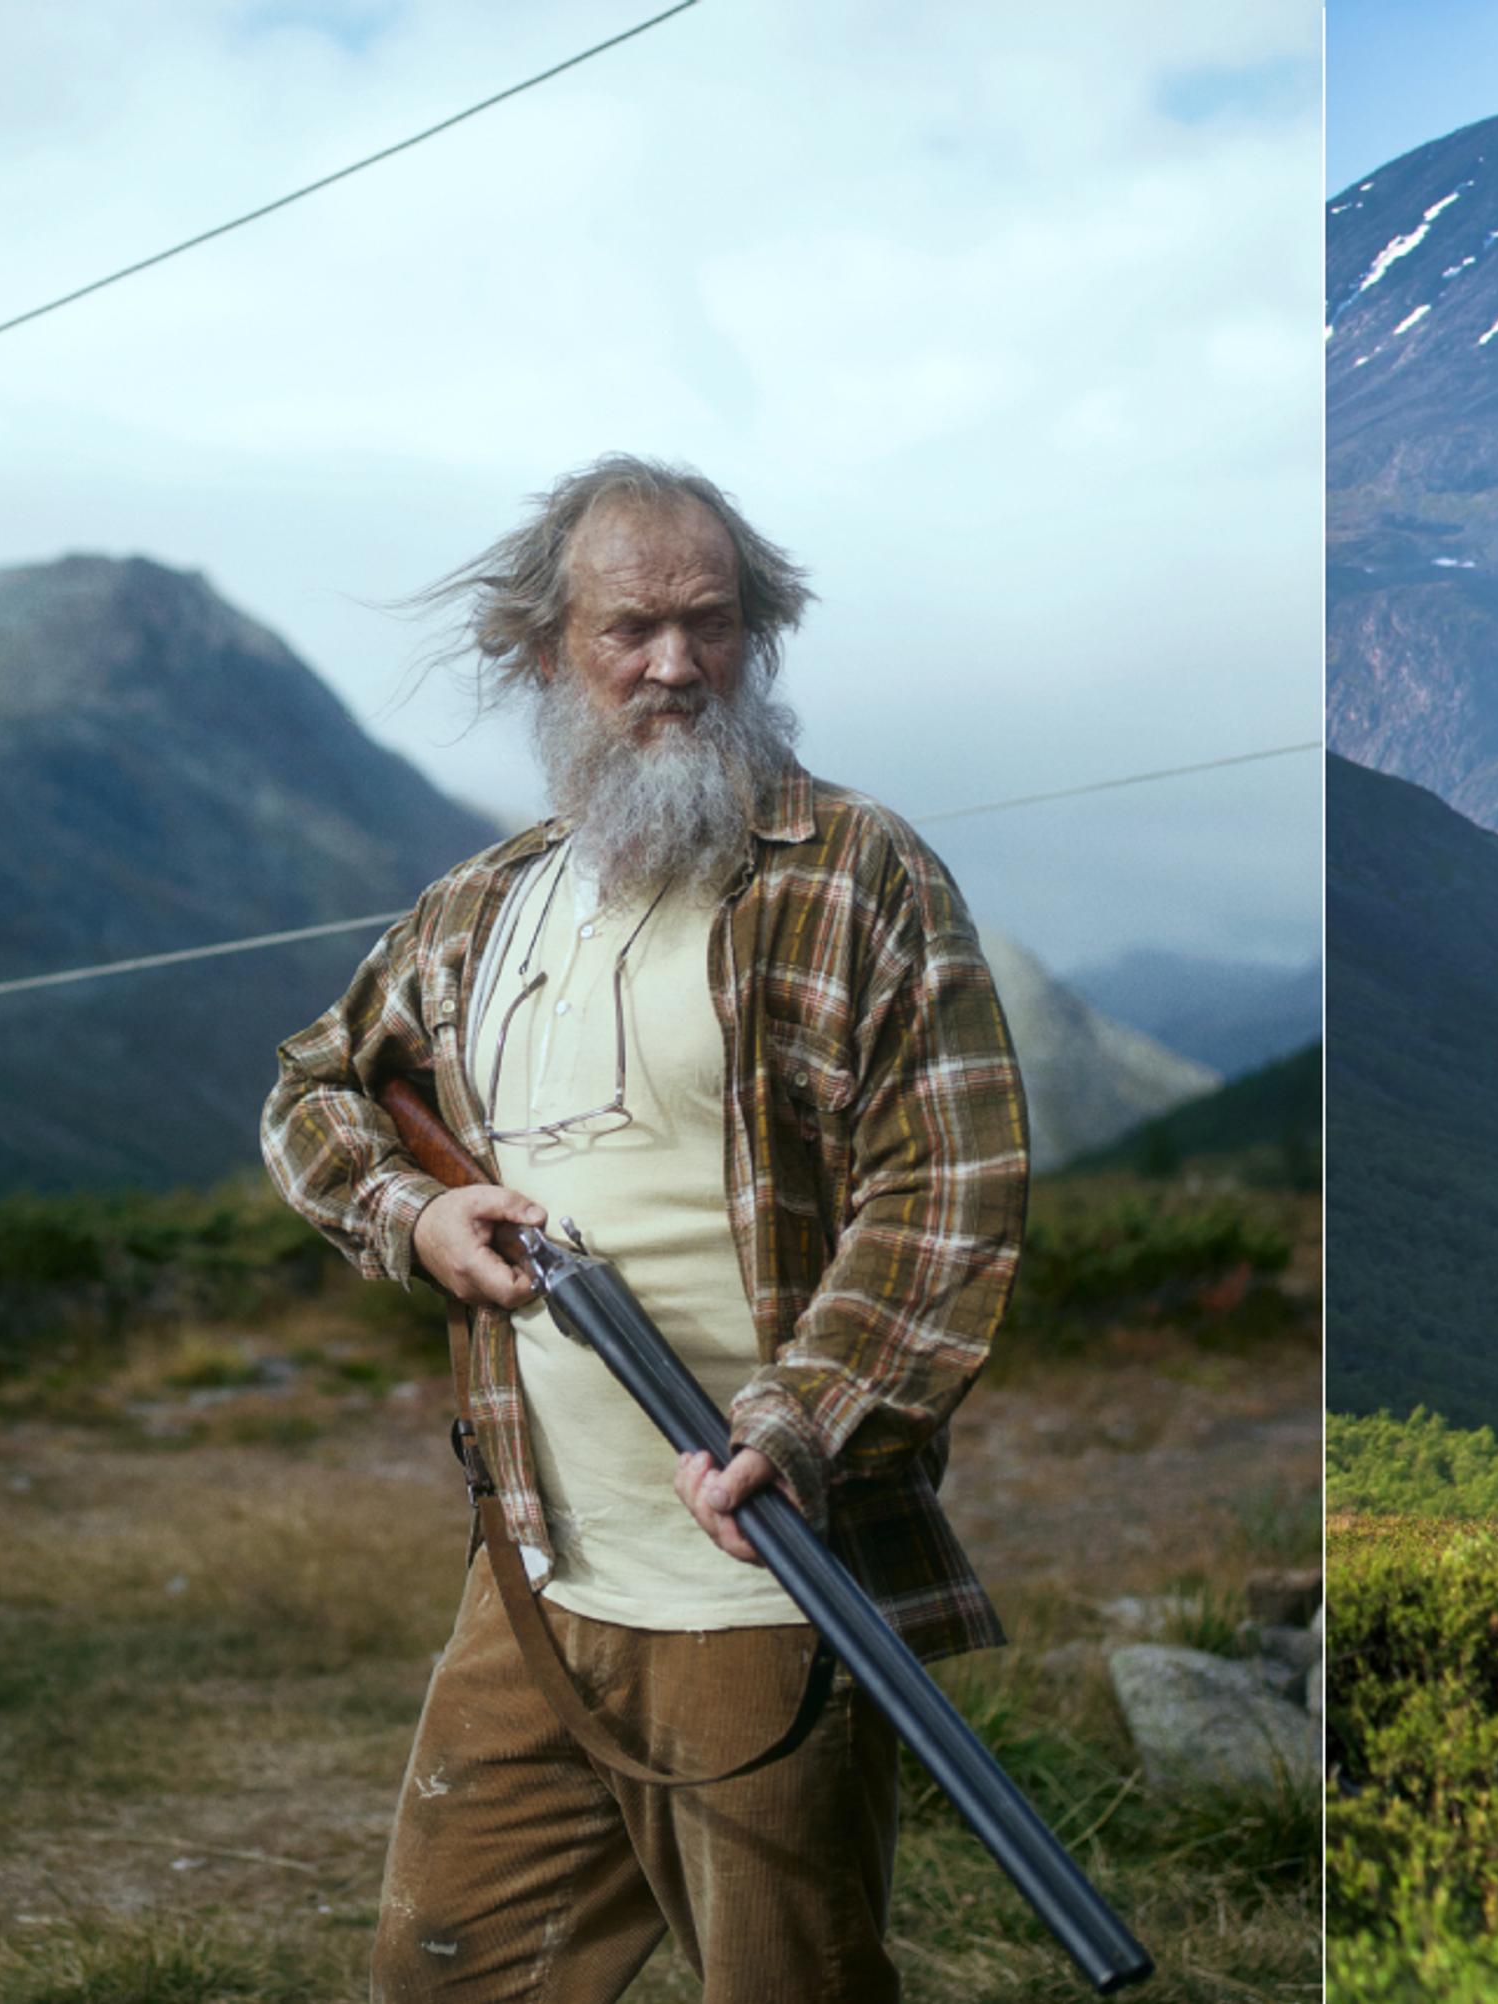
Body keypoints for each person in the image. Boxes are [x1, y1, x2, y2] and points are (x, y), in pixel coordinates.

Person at [261, 455, 1026, 2002]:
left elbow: (948, 1190)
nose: (675, 664)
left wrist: (802, 1419)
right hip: (535, 1571)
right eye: (631, 629)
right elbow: (313, 1092)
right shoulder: (478, 909)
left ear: (760, 636)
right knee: (444, 1974)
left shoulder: (855, 876)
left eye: (714, 623)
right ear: (551, 649)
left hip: (768, 1579)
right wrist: (414, 1216)